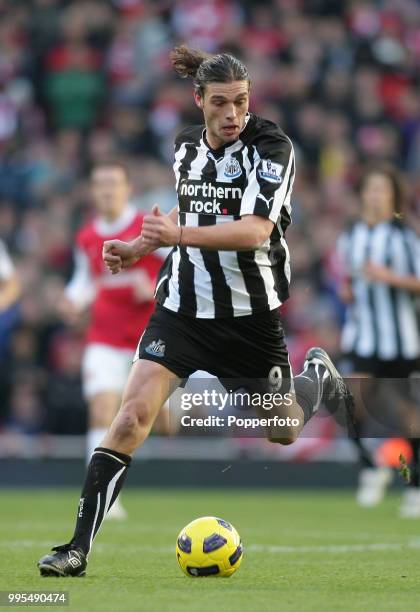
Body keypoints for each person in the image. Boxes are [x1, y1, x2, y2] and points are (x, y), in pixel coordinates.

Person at [38, 45, 354, 577]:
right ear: (198, 100)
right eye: (222, 103)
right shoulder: (184, 147)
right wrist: (141, 248)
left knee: (281, 430)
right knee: (132, 416)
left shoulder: (272, 146)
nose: (233, 114)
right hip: (180, 309)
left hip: (248, 318)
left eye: (241, 102)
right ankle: (75, 550)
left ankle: (316, 377)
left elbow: (255, 230)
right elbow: (192, 213)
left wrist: (176, 234)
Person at [58, 160, 166, 519]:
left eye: (113, 184)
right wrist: (73, 300)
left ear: (127, 189)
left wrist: (153, 288)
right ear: (92, 191)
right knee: (102, 409)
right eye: (100, 185)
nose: (107, 191)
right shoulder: (87, 236)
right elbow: (86, 281)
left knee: (164, 423)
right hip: (103, 336)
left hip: (150, 339)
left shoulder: (147, 228)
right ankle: (103, 496)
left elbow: (182, 265)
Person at [336, 163, 420, 515]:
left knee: (406, 417)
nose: (375, 196)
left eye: (382, 189)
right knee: (348, 404)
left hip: (401, 340)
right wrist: (347, 291)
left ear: (393, 196)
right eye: (370, 189)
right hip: (363, 337)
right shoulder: (351, 236)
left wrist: (389, 277)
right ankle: (371, 468)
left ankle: (414, 486)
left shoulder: (404, 237)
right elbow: (347, 280)